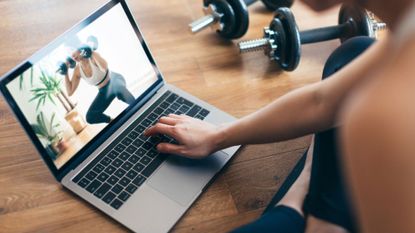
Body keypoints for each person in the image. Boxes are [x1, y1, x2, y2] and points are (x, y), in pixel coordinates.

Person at [144, 0, 415, 232]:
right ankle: (304, 192)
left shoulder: (382, 115)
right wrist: (218, 135)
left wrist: (320, 222)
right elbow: (322, 101)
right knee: (354, 53)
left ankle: (296, 203)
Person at [63, 45, 135, 124]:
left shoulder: (93, 56)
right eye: (69, 53)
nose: (72, 55)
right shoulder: (77, 70)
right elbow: (70, 92)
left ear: (80, 48)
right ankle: (114, 122)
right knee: (90, 117)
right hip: (104, 91)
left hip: (114, 80)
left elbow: (104, 68)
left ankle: (137, 105)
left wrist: (91, 53)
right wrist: (65, 72)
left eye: (72, 50)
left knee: (118, 89)